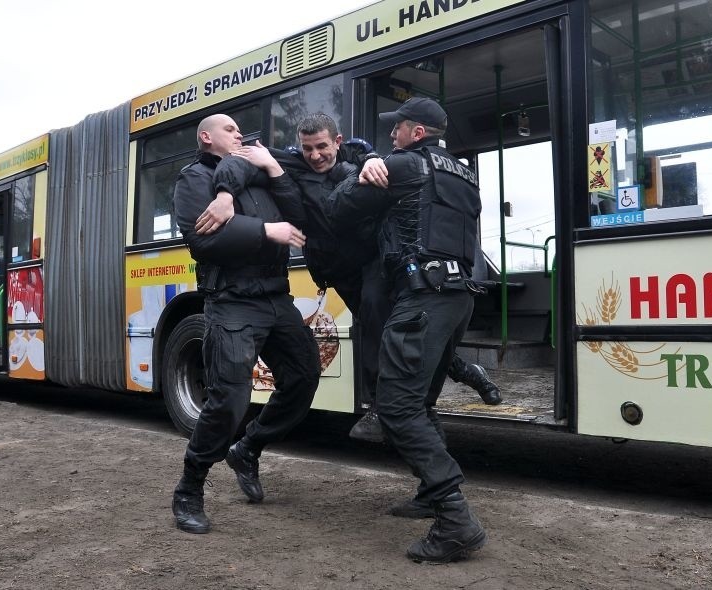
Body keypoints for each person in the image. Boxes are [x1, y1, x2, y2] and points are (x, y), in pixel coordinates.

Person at [199, 113, 501, 446]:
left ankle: (376, 405)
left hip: (373, 260)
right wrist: (225, 195)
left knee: (379, 315)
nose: (315, 156)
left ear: (337, 142)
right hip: (338, 270)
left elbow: (368, 153)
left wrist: (372, 159)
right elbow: (236, 163)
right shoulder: (292, 161)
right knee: (390, 333)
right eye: (308, 148)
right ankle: (466, 371)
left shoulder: (355, 154)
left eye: (322, 147)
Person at [329, 97, 488, 563]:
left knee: (396, 406)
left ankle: (455, 519)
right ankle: (427, 495)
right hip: (458, 298)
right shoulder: (463, 173)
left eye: (397, 128)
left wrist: (364, 161)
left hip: (423, 298)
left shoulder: (404, 165)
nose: (392, 134)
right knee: (421, 401)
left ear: (417, 132)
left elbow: (339, 207)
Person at [170, 114, 321, 535]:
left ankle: (248, 449)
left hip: (276, 299)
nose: (240, 134)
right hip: (232, 303)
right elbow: (202, 242)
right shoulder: (194, 179)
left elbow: (297, 219)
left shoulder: (257, 169)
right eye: (230, 129)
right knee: (228, 401)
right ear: (207, 137)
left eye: (240, 130)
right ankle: (189, 489)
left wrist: (273, 169)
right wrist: (265, 230)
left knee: (304, 377)